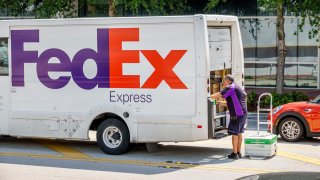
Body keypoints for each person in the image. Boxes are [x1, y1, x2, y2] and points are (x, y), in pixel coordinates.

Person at [210, 74, 247, 159]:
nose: (223, 84)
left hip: (237, 114)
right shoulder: (237, 87)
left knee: (234, 133)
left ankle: (234, 154)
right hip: (243, 113)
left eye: (223, 82)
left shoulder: (230, 87)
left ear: (228, 81)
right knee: (239, 132)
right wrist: (219, 103)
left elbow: (217, 95)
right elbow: (230, 103)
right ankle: (238, 152)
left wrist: (206, 97)